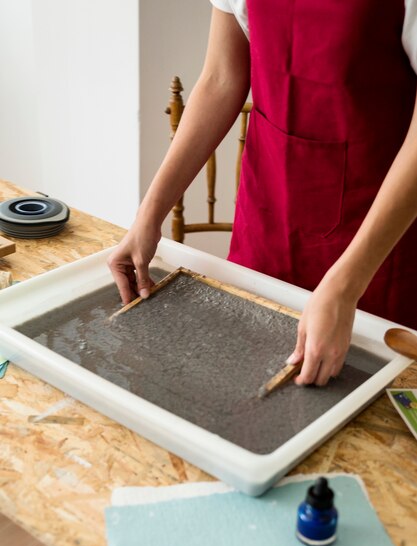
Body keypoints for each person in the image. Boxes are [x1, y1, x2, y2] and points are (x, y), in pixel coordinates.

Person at [108, 0, 417, 386]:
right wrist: (148, 216)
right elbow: (221, 77)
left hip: (377, 237)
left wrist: (344, 288)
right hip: (267, 215)